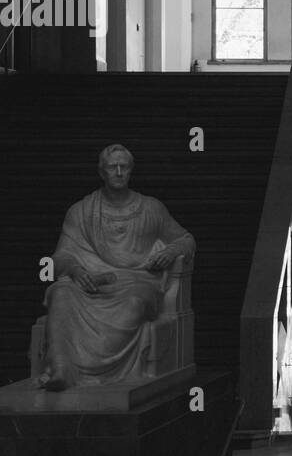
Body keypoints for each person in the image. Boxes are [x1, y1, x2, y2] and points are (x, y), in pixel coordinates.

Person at [38, 144, 196, 390]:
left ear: (131, 171)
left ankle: (98, 374)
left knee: (133, 304)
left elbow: (186, 239)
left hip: (138, 283)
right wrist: (78, 271)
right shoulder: (81, 211)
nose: (119, 172)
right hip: (90, 282)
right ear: (102, 172)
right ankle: (61, 369)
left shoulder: (151, 208)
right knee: (60, 292)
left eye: (125, 167)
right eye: (113, 167)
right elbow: (60, 257)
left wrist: (171, 251)